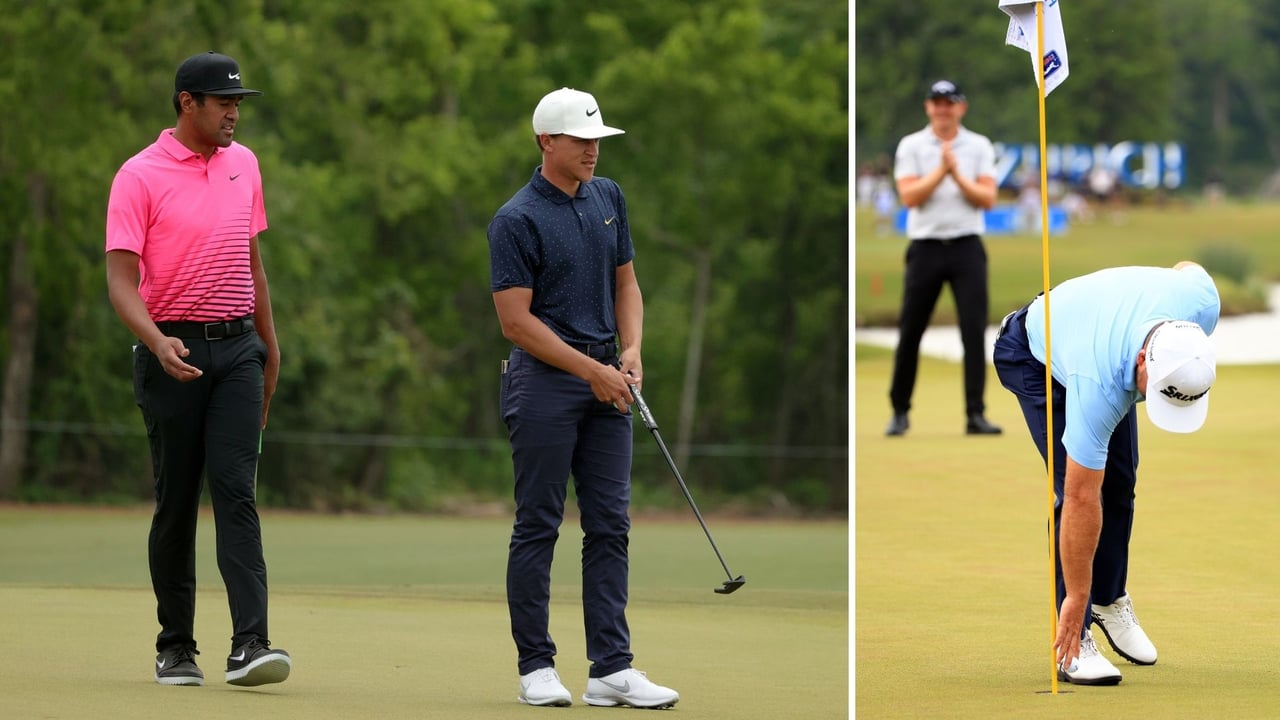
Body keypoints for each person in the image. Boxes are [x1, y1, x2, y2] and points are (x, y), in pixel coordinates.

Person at [487, 87, 680, 710]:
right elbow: (515, 322)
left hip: (607, 378)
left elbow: (627, 284)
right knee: (538, 524)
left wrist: (632, 349)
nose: (593, 150)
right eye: (581, 140)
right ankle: (536, 667)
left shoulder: (608, 197)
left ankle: (611, 669)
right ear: (547, 141)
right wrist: (589, 370)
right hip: (543, 383)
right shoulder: (516, 218)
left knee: (610, 525)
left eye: (598, 139)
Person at [105, 51, 291, 688]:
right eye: (223, 102)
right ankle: (176, 647)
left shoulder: (245, 164)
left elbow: (251, 262)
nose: (234, 113)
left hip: (238, 349)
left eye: (238, 103)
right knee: (177, 501)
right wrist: (156, 342)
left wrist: (270, 347)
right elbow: (121, 281)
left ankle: (251, 643)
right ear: (188, 102)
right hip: (171, 350)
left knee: (237, 491)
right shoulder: (139, 175)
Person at [992, 262, 1220, 685]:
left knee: (1121, 484)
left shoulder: (1201, 304)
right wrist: (1077, 595)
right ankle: (1074, 636)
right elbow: (1081, 497)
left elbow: (1188, 269)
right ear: (1142, 360)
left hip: (1099, 335)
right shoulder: (1099, 382)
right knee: (1076, 490)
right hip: (1033, 354)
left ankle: (1109, 599)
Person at [886, 79, 1003, 437]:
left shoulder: (978, 145)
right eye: (937, 103)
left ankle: (975, 413)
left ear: (960, 108)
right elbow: (910, 197)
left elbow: (987, 198)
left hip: (967, 245)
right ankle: (900, 411)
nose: (943, 110)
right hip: (926, 246)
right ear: (928, 107)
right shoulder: (912, 145)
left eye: (949, 103)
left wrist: (957, 175)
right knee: (911, 330)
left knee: (973, 331)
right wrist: (941, 171)